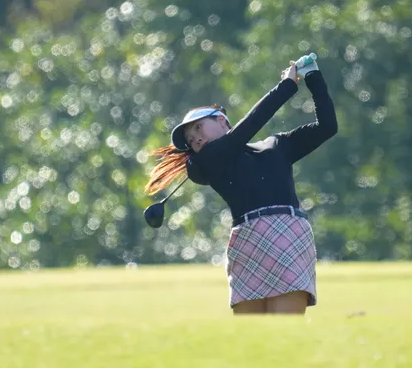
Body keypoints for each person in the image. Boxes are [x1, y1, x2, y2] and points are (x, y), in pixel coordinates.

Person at [144, 55, 338, 315]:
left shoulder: (277, 145)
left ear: (221, 120)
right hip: (248, 241)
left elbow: (327, 127)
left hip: (289, 234)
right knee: (252, 334)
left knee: (285, 330)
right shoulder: (206, 161)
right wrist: (287, 86)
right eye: (190, 139)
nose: (195, 139)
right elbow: (248, 128)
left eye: (198, 128)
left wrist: (313, 76)